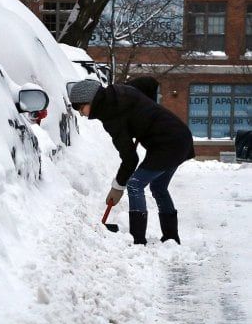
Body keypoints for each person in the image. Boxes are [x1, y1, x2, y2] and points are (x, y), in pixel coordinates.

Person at [69, 78, 195, 245]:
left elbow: (130, 158)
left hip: (167, 144)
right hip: (180, 136)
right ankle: (171, 237)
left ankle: (137, 239)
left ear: (91, 100)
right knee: (158, 186)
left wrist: (118, 186)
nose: (81, 113)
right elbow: (148, 82)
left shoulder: (111, 115)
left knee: (135, 184)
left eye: (80, 107)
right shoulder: (119, 92)